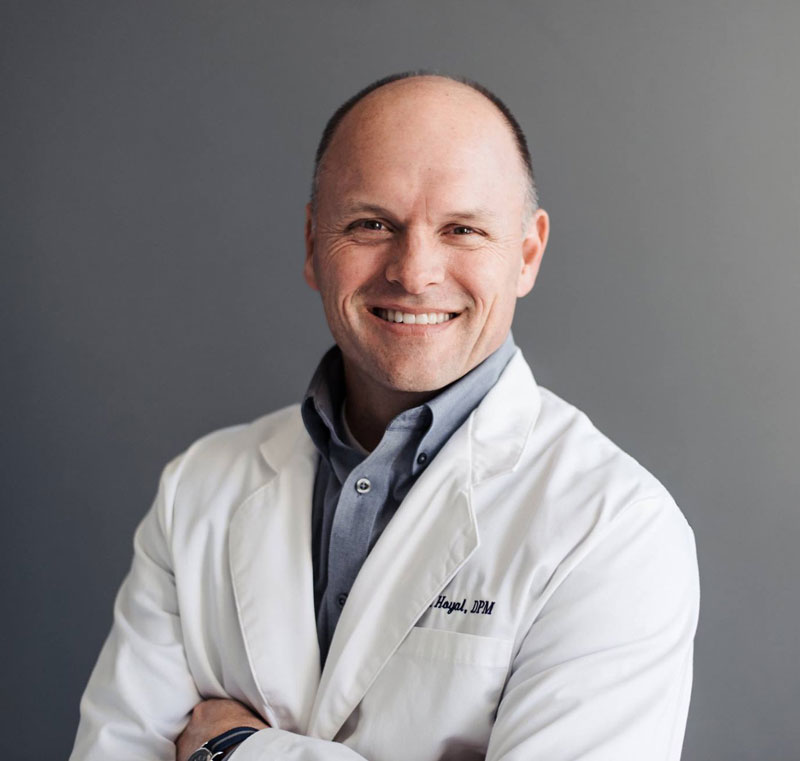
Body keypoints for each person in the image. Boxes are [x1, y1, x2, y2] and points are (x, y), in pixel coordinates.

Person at [69, 71, 700, 761]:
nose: (414, 271)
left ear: (526, 255)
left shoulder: (615, 530)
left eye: (462, 229)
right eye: (372, 224)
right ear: (313, 244)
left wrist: (233, 748)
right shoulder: (199, 487)